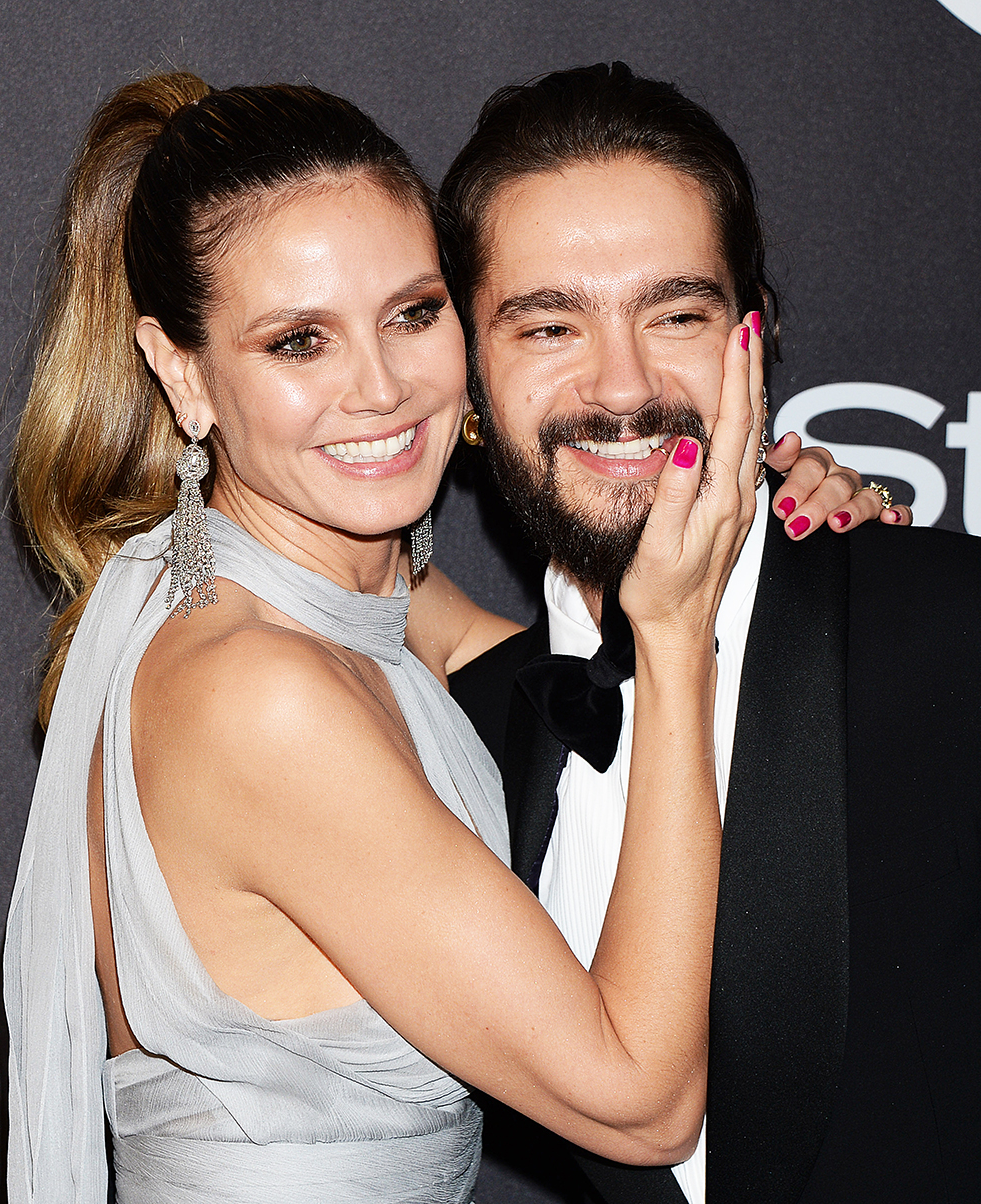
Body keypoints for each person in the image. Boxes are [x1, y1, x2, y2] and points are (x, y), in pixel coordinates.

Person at [2, 71, 895, 1204]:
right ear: (183, 373)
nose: (379, 388)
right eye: (297, 342)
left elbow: (529, 673)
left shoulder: (315, 596)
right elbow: (643, 1101)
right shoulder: (257, 695)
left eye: (412, 314)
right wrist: (675, 636)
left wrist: (772, 542)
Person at [441, 63, 981, 1204]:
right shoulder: (458, 739)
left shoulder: (948, 630)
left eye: (675, 314)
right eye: (548, 324)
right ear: (469, 386)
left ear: (755, 337)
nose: (624, 385)